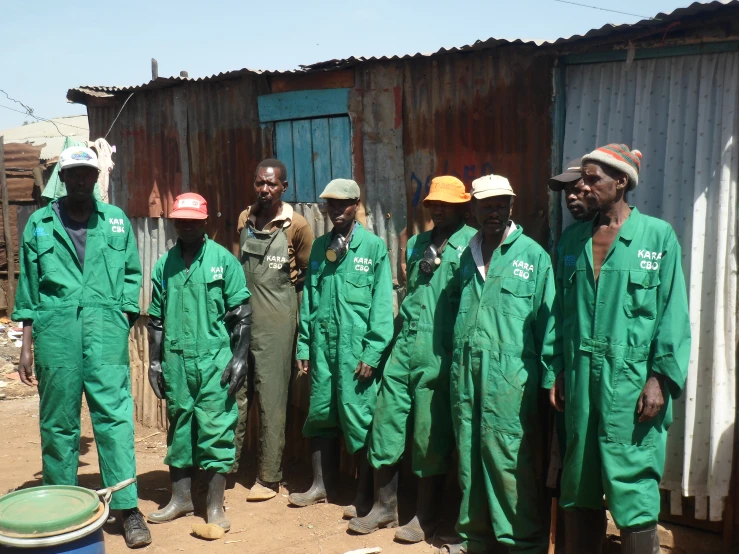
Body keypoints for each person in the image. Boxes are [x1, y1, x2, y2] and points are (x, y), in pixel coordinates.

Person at [549, 145, 690, 554]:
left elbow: (673, 315)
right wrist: (557, 369)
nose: (584, 186)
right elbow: (560, 313)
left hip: (630, 382)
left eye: (593, 178)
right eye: (583, 179)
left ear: (621, 182)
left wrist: (660, 379)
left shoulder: (657, 236)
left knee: (633, 482)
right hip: (579, 379)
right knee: (580, 478)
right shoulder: (573, 240)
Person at [13, 146, 151, 548]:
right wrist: (26, 343)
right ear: (63, 176)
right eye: (72, 173)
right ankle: (59, 505)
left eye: (85, 174)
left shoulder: (116, 221)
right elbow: (28, 287)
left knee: (115, 418)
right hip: (56, 333)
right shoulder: (39, 224)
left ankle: (127, 508)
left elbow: (131, 274)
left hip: (105, 331)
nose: (79, 180)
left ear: (95, 177)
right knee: (58, 422)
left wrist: (120, 318)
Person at [348, 176, 476, 541]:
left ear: (463, 207)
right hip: (405, 345)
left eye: (447, 205)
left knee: (428, 435)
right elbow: (410, 295)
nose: (438, 210)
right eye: (434, 203)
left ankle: (424, 516)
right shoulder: (418, 244)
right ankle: (384, 507)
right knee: (386, 422)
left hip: (440, 351)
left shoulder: (473, 245)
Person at [441, 175, 560, 554]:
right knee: (469, 451)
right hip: (466, 373)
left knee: (509, 457)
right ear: (473, 208)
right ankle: (475, 537)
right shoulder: (465, 253)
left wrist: (551, 376)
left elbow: (550, 322)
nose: (493, 211)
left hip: (511, 378)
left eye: (500, 204)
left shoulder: (532, 255)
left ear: (511, 206)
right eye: (485, 204)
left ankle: (520, 541)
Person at [288, 178, 394, 517]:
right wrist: (304, 346)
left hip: (355, 352)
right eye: (330, 204)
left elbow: (381, 307)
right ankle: (322, 485)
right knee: (320, 413)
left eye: (343, 204)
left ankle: (364, 495)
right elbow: (310, 303)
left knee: (359, 416)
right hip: (323, 347)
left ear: (356, 204)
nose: (336, 210)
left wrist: (372, 353)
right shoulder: (320, 248)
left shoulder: (374, 248)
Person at [145, 193, 251, 531]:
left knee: (217, 428)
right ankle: (180, 497)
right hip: (176, 359)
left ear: (205, 223)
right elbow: (157, 319)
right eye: (181, 221)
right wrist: (155, 362)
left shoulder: (224, 261)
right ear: (174, 222)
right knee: (179, 427)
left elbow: (242, 315)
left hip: (214, 359)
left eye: (193, 221)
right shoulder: (165, 265)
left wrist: (240, 357)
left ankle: (214, 506)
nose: (186, 227)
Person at [232, 159, 314, 501]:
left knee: (272, 398)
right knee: (236, 393)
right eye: (259, 183)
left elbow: (307, 276)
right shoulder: (244, 218)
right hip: (243, 317)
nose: (264, 189)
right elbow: (239, 267)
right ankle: (227, 466)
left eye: (271, 184)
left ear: (284, 187)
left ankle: (268, 477)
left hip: (279, 319)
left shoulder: (298, 227)